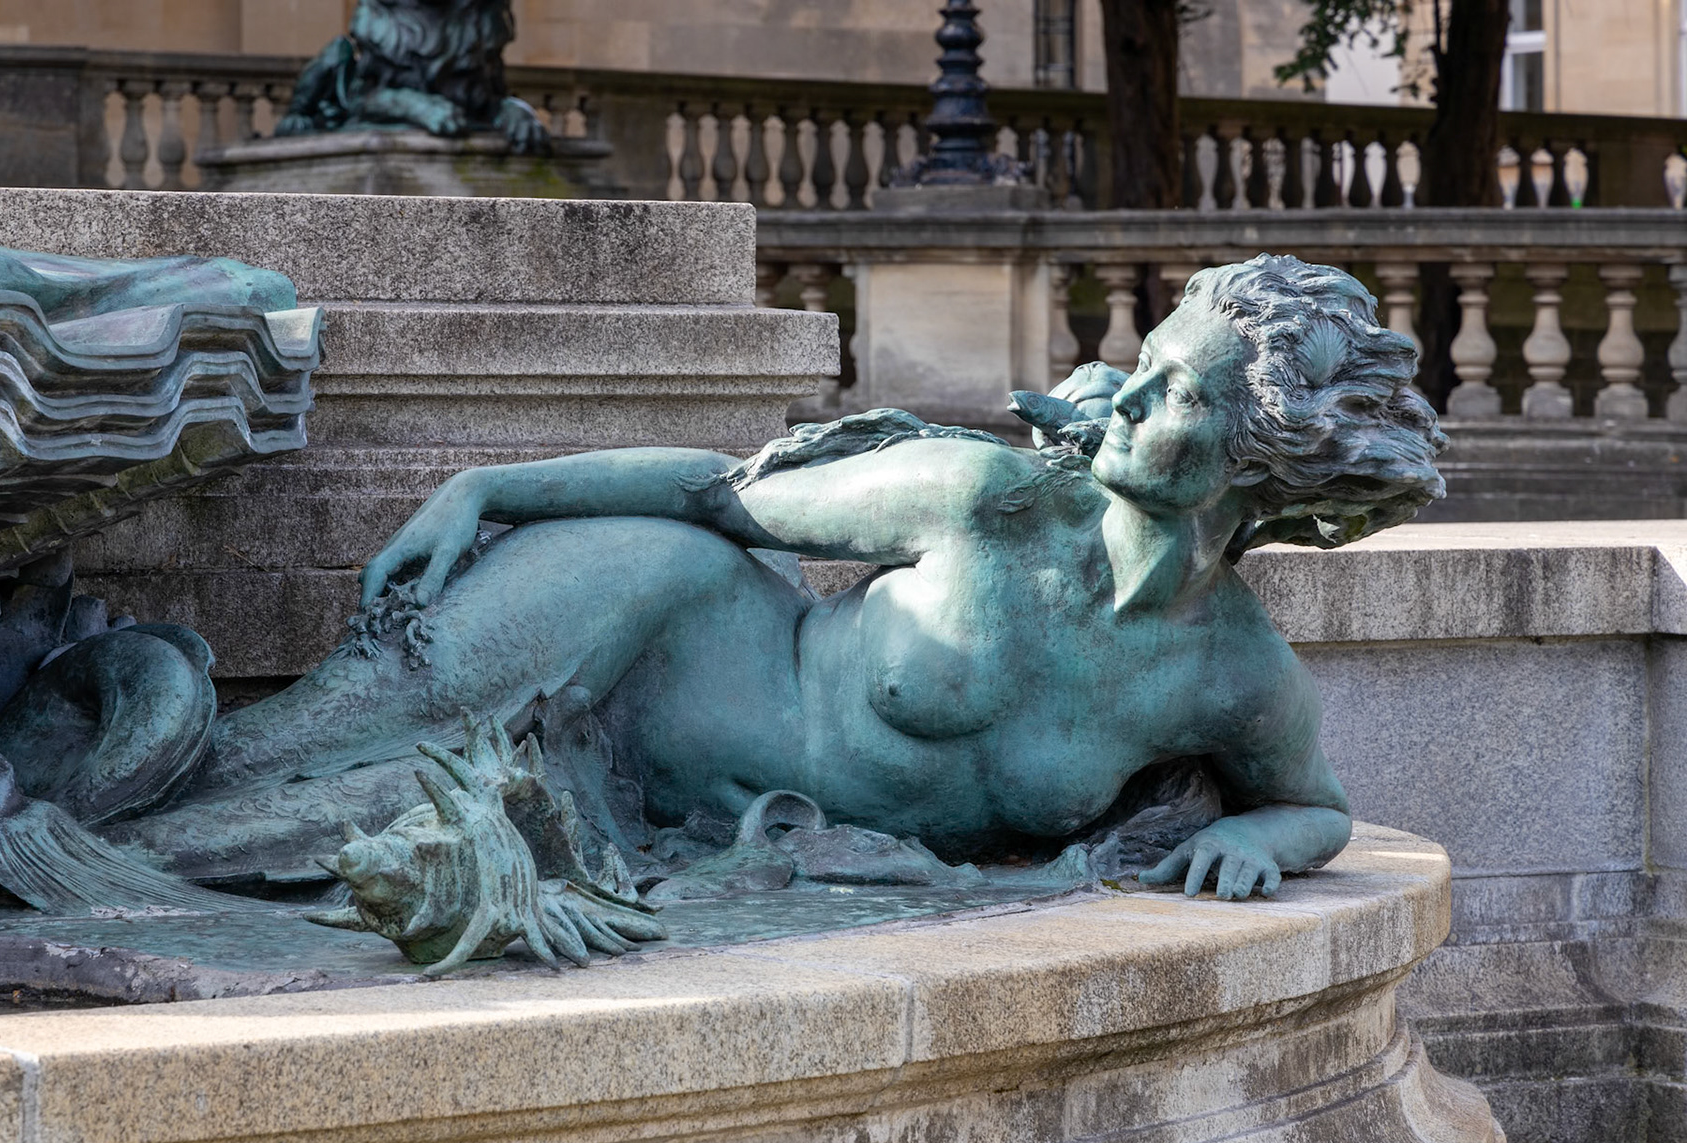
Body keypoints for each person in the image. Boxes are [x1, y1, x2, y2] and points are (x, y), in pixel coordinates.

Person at [147, 254, 1445, 904]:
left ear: (1253, 455)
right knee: (287, 766)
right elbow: (719, 495)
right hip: (655, 614)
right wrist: (488, 489)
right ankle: (75, 809)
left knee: (309, 844)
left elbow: (1313, 807)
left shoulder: (1229, 671)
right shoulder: (989, 498)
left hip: (725, 839)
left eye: (1179, 393)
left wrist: (1247, 836)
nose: (1131, 390)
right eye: (1146, 357)